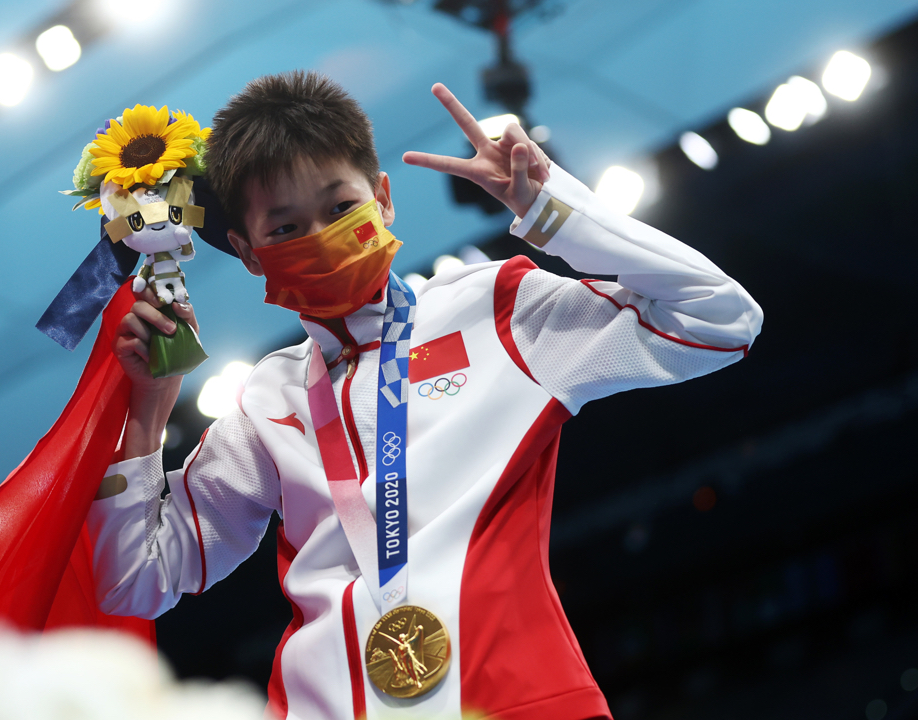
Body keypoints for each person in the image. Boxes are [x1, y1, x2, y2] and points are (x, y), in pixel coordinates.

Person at [87, 71, 762, 720]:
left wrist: (552, 209)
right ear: (248, 250)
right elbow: (137, 581)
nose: (319, 238)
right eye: (285, 229)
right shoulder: (266, 401)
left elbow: (718, 319)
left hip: (517, 701)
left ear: (383, 197)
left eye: (340, 207)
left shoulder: (497, 311)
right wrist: (148, 412)